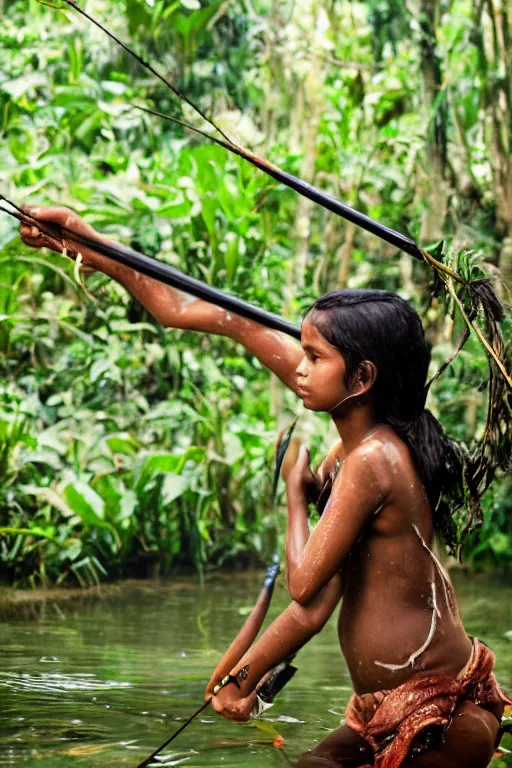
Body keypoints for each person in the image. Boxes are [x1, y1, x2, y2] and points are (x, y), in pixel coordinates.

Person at [19, 207, 510, 768]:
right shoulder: (358, 428)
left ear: (362, 378)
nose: (298, 367)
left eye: (313, 356)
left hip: (438, 716)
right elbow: (186, 309)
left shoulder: (374, 458)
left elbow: (302, 586)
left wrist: (296, 496)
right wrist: (85, 243)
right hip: (380, 711)